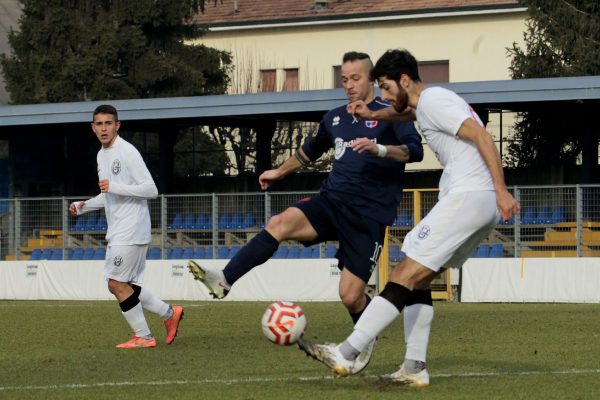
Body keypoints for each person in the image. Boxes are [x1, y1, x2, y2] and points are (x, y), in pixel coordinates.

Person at [187, 51, 423, 368]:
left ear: (370, 79)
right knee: (280, 223)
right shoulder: (335, 117)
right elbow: (309, 151)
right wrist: (278, 171)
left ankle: (363, 340)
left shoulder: (391, 113)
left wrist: (380, 149)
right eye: (344, 79)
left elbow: (415, 151)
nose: (350, 85)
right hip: (331, 201)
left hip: (368, 215)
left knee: (350, 295)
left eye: (356, 78)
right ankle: (225, 279)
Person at [299, 49, 521, 385]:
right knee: (418, 277)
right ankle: (414, 368)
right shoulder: (428, 104)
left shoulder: (432, 100)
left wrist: (502, 189)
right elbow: (406, 115)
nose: (383, 96)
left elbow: (482, 136)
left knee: (405, 270)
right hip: (475, 199)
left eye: (386, 88)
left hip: (471, 194)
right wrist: (378, 114)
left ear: (405, 80)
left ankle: (347, 351)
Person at [69, 104, 184, 349]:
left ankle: (143, 336)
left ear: (117, 125)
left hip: (131, 229)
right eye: (99, 124)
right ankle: (169, 313)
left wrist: (115, 187)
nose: (103, 128)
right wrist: (84, 206)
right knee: (127, 286)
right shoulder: (102, 155)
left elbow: (150, 190)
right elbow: (109, 194)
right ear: (93, 127)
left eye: (108, 123)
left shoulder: (127, 152)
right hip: (120, 230)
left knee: (115, 284)